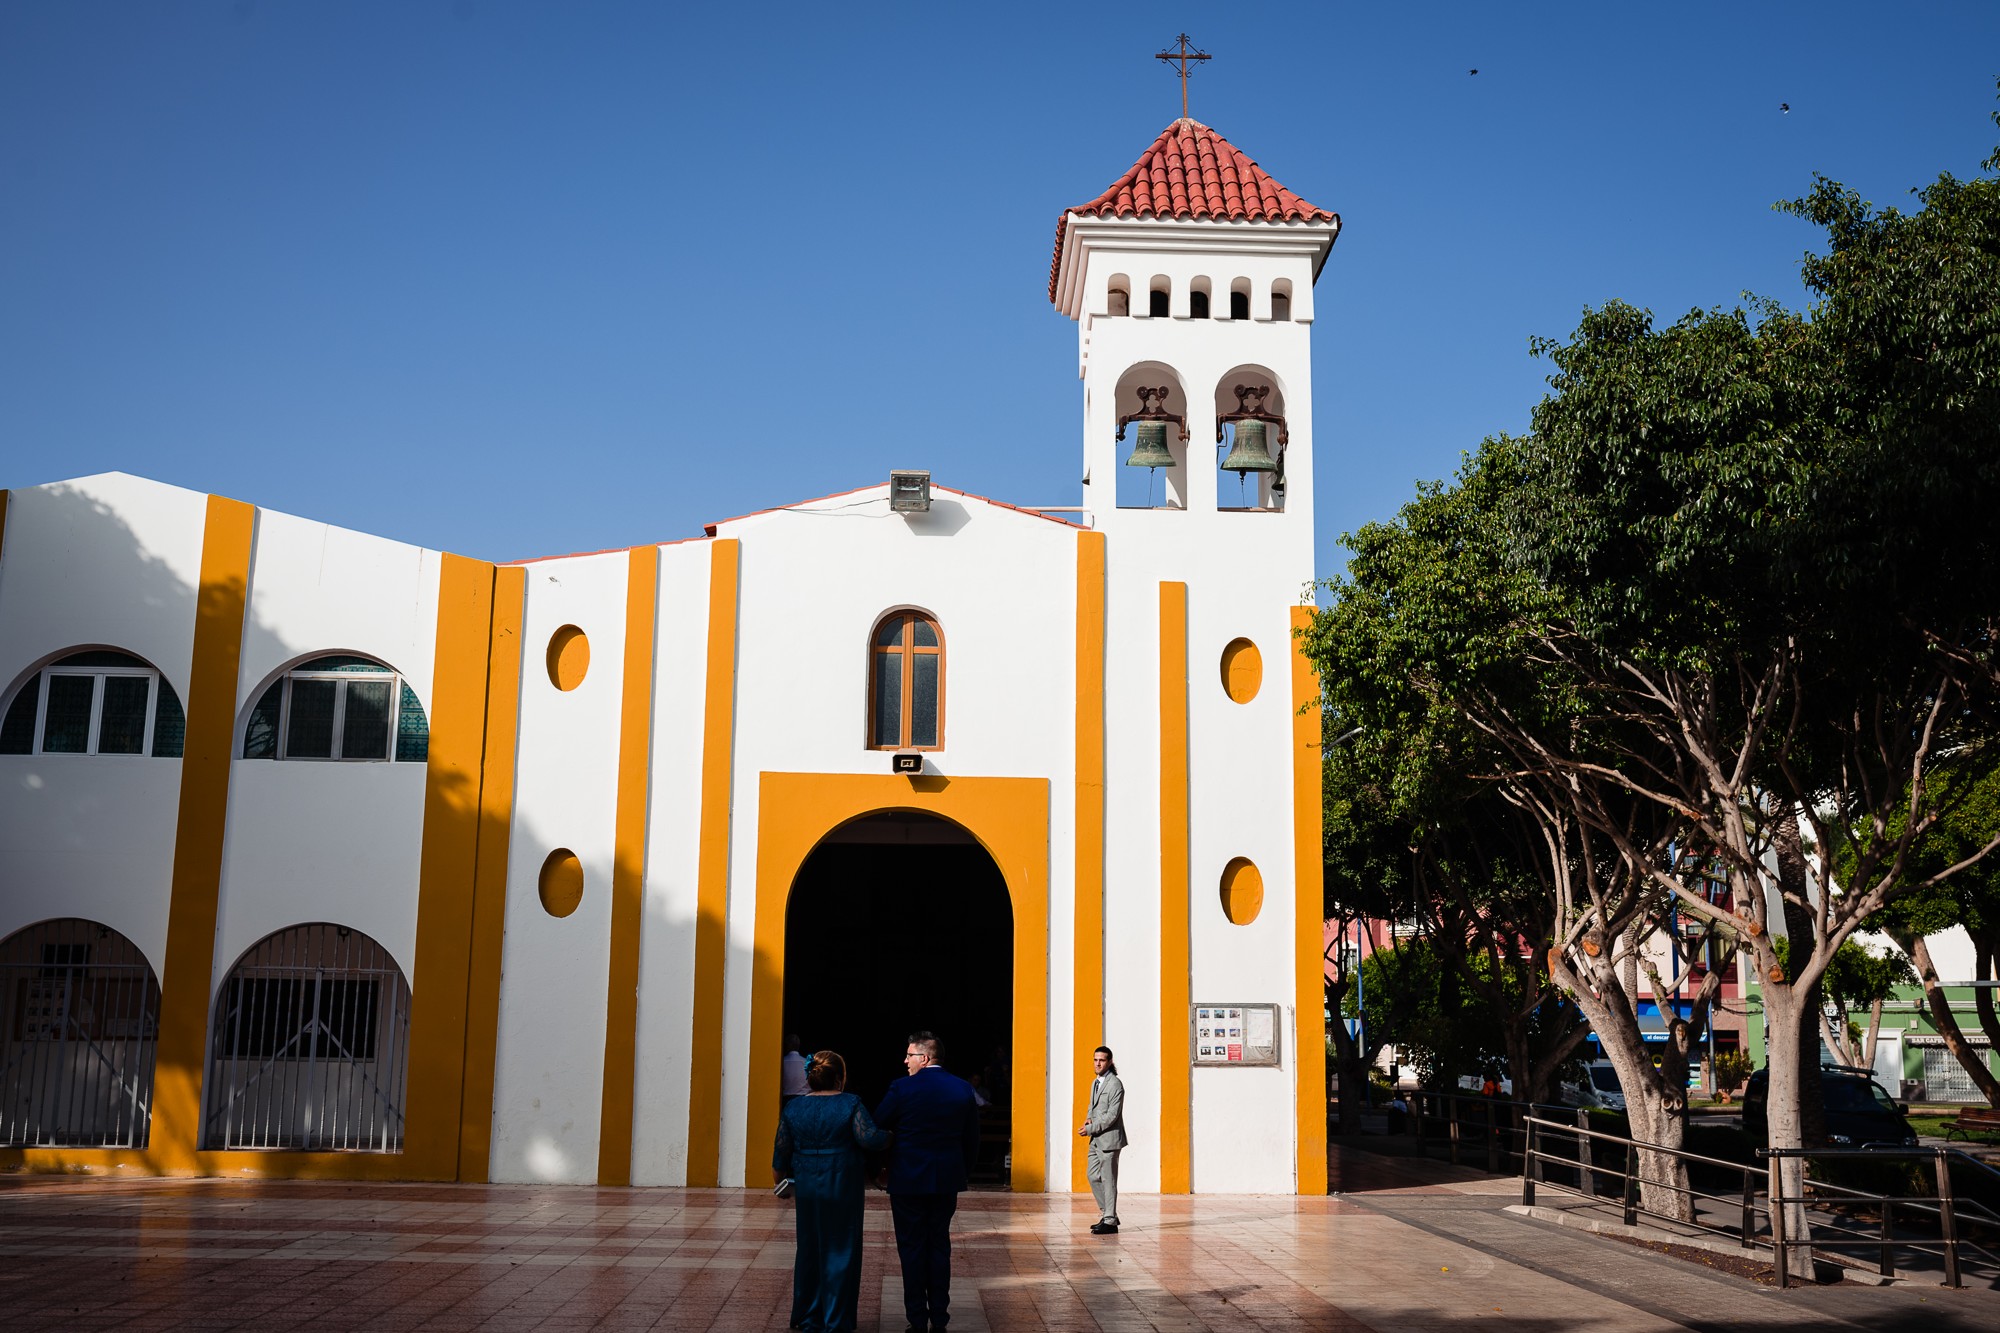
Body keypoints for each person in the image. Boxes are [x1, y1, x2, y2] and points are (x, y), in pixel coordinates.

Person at [773, 1050, 890, 1333]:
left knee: (809, 1247)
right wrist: (892, 1137)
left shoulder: (793, 1108)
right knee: (841, 1247)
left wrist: (780, 1181)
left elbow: (781, 1151)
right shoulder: (850, 1103)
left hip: (807, 1184)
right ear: (839, 1077)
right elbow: (868, 1138)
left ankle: (809, 1314)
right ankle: (835, 1318)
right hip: (841, 1181)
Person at [873, 1031, 980, 1333]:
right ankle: (940, 1317)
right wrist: (963, 1172)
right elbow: (972, 1139)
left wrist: (878, 1167)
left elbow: (876, 1126)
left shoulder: (902, 1088)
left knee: (911, 1248)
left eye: (909, 1055)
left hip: (907, 1180)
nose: (905, 1061)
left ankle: (917, 1319)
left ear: (924, 1057)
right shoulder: (962, 1088)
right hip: (945, 1180)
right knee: (939, 1246)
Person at [1076, 1045, 1126, 1235]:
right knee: (1092, 1176)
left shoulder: (1115, 1085)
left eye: (1102, 1060)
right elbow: (1093, 1106)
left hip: (1109, 1140)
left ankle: (1110, 1220)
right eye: (1095, 1060)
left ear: (1110, 1062)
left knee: (1109, 1180)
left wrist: (1091, 1128)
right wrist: (1089, 1118)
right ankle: (1109, 1214)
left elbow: (1112, 1115)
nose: (1097, 1063)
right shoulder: (1095, 1082)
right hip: (1096, 1139)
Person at [781, 1034, 809, 1107]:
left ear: (786, 1046)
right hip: (803, 1099)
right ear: (798, 1046)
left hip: (785, 1100)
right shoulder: (806, 1062)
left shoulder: (781, 1062)